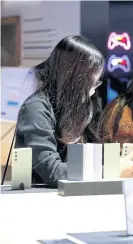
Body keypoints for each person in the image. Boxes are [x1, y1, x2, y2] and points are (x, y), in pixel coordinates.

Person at [15, 36, 105, 186]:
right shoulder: (36, 109)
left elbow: (97, 154)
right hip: (39, 198)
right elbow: (53, 172)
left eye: (96, 83)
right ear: (73, 81)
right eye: (91, 83)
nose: (93, 90)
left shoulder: (84, 108)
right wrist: (106, 171)